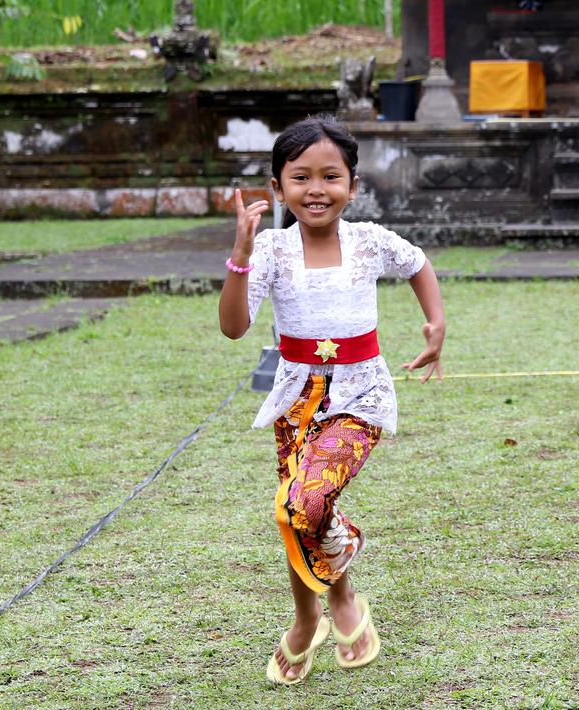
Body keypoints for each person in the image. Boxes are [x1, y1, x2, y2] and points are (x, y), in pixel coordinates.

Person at [217, 114, 445, 685]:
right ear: (277, 188)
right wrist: (240, 254)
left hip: (360, 395)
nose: (316, 190)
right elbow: (234, 327)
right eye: (300, 178)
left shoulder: (369, 241)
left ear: (353, 185)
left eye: (331, 177)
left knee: (301, 503)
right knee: (301, 508)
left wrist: (435, 324)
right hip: (296, 399)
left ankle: (308, 618)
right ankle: (321, 610)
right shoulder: (270, 249)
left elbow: (419, 265)